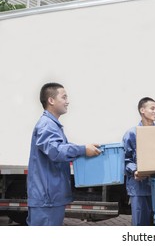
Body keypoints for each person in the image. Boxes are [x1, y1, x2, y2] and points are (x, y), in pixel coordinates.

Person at [27, 82, 101, 226]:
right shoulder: (46, 125)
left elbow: (61, 147)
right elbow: (56, 151)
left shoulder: (52, 125)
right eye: (64, 97)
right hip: (47, 199)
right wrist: (83, 150)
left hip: (50, 197)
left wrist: (85, 149)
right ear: (51, 100)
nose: (67, 101)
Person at [122, 97, 155, 226]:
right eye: (152, 108)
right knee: (140, 224)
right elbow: (125, 159)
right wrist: (134, 171)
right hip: (139, 187)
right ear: (142, 110)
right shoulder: (132, 134)